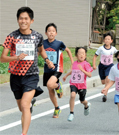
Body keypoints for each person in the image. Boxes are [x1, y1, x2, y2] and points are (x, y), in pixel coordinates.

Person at [0, 7, 54, 135]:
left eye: (26, 18)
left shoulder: (37, 36)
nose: (23, 21)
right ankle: (30, 105)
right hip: (15, 76)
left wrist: (47, 60)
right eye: (20, 18)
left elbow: (41, 50)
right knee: (22, 108)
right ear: (17, 20)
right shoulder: (11, 37)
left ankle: (23, 133)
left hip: (31, 76)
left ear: (31, 20)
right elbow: (2, 58)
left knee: (24, 104)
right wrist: (16, 57)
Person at [43, 23, 74, 118]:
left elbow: (68, 50)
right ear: (46, 33)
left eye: (53, 31)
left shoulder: (59, 43)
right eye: (49, 31)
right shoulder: (43, 43)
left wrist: (73, 63)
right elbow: (39, 52)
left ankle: (58, 85)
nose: (51, 33)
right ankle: (57, 108)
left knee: (50, 84)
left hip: (57, 68)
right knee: (50, 89)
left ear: (56, 33)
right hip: (47, 69)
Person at [63, 47, 93, 121]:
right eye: (79, 53)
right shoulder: (74, 63)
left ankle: (86, 105)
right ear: (76, 55)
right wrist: (66, 75)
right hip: (74, 83)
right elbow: (73, 71)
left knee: (82, 101)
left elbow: (90, 75)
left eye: (83, 53)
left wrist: (83, 70)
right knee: (72, 95)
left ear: (85, 55)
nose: (81, 55)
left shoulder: (86, 64)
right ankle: (71, 113)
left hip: (82, 85)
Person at [93, 33, 118, 102]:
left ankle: (105, 95)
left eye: (108, 39)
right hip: (102, 66)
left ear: (111, 41)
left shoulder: (113, 49)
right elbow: (95, 56)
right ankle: (105, 89)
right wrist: (94, 65)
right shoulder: (101, 48)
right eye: (106, 39)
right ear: (104, 40)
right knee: (103, 82)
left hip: (109, 66)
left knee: (107, 79)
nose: (107, 40)